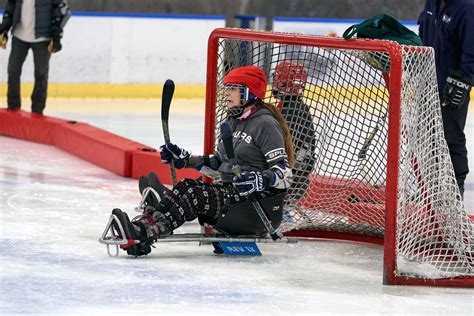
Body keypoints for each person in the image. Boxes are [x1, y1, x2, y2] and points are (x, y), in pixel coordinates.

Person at [111, 65, 295, 257]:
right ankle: (144, 226)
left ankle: (148, 233)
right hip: (234, 196)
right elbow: (218, 164)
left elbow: (285, 174)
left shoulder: (265, 124)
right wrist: (185, 159)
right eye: (227, 88)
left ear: (249, 92)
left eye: (234, 89)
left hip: (256, 205)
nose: (228, 94)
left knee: (194, 193)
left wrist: (261, 179)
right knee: (185, 186)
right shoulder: (233, 120)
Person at [418, 0, 474, 197]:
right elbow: (423, 34)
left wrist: (463, 79)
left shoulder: (467, 7)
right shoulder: (432, 3)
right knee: (429, 137)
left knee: (451, 137)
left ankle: (455, 189)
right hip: (428, 81)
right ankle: (433, 188)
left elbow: (472, 49)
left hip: (453, 84)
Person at [0, 0, 70, 115]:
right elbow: (11, 6)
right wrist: (4, 28)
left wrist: (57, 34)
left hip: (42, 38)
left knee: (41, 74)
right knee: (13, 71)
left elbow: (63, 9)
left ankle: (37, 111)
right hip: (19, 35)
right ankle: (13, 107)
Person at [272, 61, 316, 201]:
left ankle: (282, 210)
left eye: (276, 78)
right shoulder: (296, 107)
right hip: (295, 182)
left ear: (283, 83)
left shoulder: (290, 112)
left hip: (286, 186)